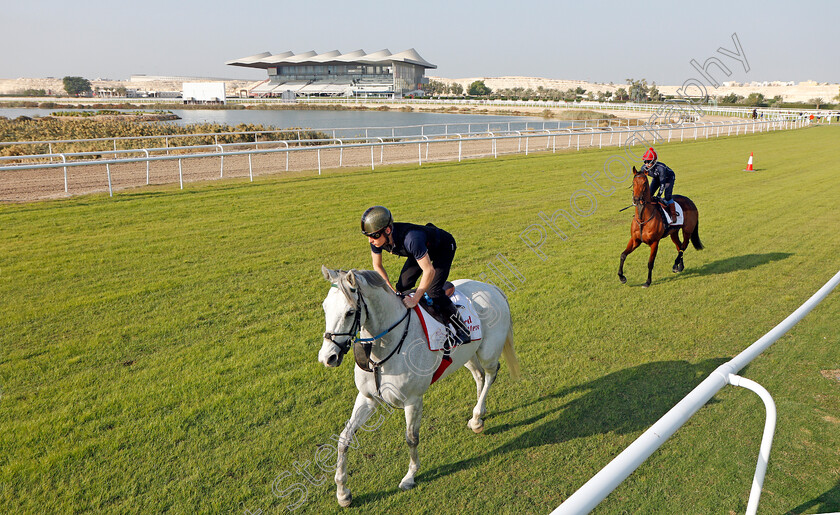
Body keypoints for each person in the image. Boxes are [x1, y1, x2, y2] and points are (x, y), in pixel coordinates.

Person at [361, 206, 470, 346]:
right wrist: (388, 285)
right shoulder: (377, 238)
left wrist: (416, 299)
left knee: (434, 292)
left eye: (373, 236)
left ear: (387, 230)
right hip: (420, 250)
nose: (370, 240)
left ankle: (462, 330)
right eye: (367, 236)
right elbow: (377, 265)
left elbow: (429, 271)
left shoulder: (411, 239)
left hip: (443, 247)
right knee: (401, 286)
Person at [641, 148, 678, 223]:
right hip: (657, 178)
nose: (646, 164)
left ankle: (673, 215)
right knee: (649, 194)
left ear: (654, 161)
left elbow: (662, 184)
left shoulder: (661, 168)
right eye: (645, 161)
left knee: (667, 196)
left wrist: (658, 195)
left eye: (648, 162)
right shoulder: (644, 168)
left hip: (668, 178)